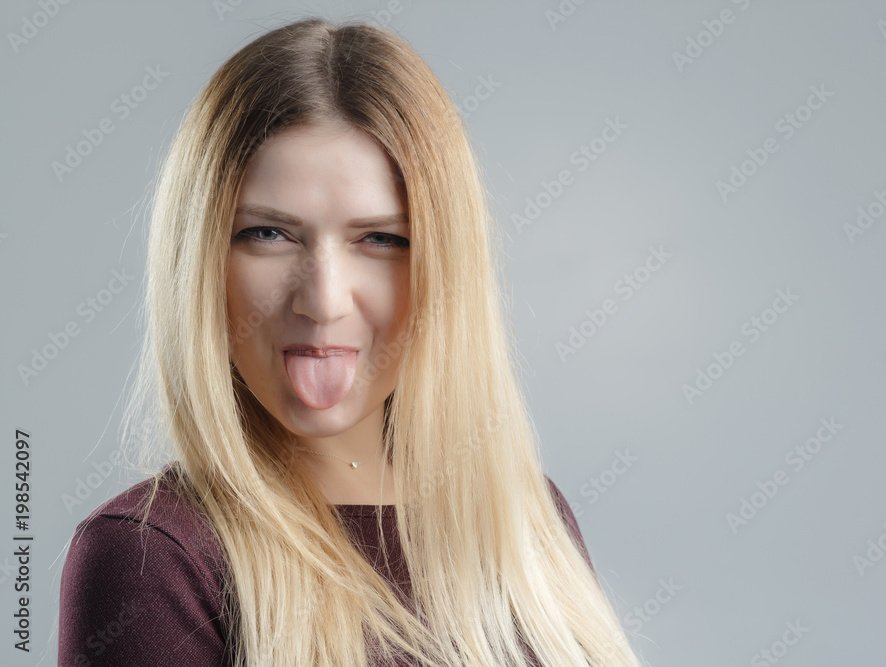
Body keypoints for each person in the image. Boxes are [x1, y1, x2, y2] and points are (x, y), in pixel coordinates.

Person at [57, 16, 642, 667]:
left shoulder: (531, 522)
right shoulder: (153, 559)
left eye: (381, 239)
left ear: (445, 266)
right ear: (199, 260)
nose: (325, 298)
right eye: (268, 234)